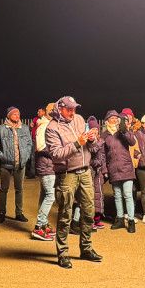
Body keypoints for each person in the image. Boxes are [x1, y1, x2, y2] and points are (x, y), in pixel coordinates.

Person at [45, 96, 102, 269]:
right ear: (60, 109)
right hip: (66, 174)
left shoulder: (79, 119)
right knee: (65, 215)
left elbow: (92, 148)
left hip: (85, 171)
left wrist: (92, 140)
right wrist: (78, 143)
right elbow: (56, 154)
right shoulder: (52, 128)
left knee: (88, 212)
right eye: (69, 109)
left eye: (74, 108)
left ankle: (86, 249)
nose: (72, 112)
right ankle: (63, 253)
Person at [98, 110, 138, 232]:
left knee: (128, 195)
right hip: (113, 168)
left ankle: (131, 221)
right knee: (117, 195)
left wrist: (125, 130)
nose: (114, 120)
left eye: (116, 118)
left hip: (126, 167)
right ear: (107, 121)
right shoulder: (104, 135)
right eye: (112, 118)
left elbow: (132, 142)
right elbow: (103, 154)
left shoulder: (123, 131)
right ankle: (119, 219)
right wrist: (105, 169)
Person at [0, 107, 32, 223]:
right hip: (6, 165)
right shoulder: (1, 129)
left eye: (18, 113)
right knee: (4, 189)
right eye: (14, 114)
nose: (17, 116)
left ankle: (19, 213)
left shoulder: (24, 128)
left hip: (21, 164)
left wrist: (26, 156)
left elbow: (29, 143)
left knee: (19, 189)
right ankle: (2, 213)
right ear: (9, 116)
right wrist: (1, 155)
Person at [31, 102, 56, 241]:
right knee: (51, 196)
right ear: (47, 111)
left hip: (48, 166)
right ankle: (38, 227)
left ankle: (44, 223)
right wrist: (57, 152)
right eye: (51, 110)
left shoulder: (49, 124)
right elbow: (41, 146)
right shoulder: (44, 125)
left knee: (44, 195)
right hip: (46, 166)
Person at [27, 107, 46, 179]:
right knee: (33, 157)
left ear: (44, 112)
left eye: (39, 111)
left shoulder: (47, 120)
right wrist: (31, 127)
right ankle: (32, 173)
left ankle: (40, 172)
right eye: (38, 111)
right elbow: (31, 128)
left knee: (41, 157)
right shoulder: (35, 119)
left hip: (42, 141)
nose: (38, 113)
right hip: (35, 141)